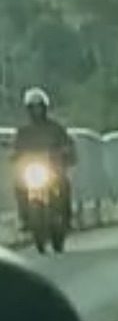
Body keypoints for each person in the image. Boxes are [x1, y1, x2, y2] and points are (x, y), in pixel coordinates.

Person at [11, 87, 77, 230]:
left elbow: (67, 143)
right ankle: (24, 217)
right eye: (33, 108)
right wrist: (14, 156)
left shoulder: (55, 128)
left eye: (39, 107)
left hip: (53, 169)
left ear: (45, 108)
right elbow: (15, 148)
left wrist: (66, 153)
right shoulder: (23, 131)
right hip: (31, 169)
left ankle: (67, 217)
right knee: (19, 187)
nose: (37, 111)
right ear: (28, 110)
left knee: (64, 185)